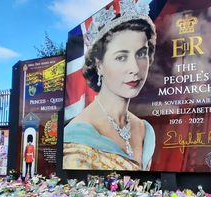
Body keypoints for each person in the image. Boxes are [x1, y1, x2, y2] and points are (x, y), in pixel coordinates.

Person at [63, 0, 156, 171]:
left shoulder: (145, 129)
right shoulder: (75, 140)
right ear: (99, 65)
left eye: (141, 54)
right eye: (121, 57)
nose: (135, 69)